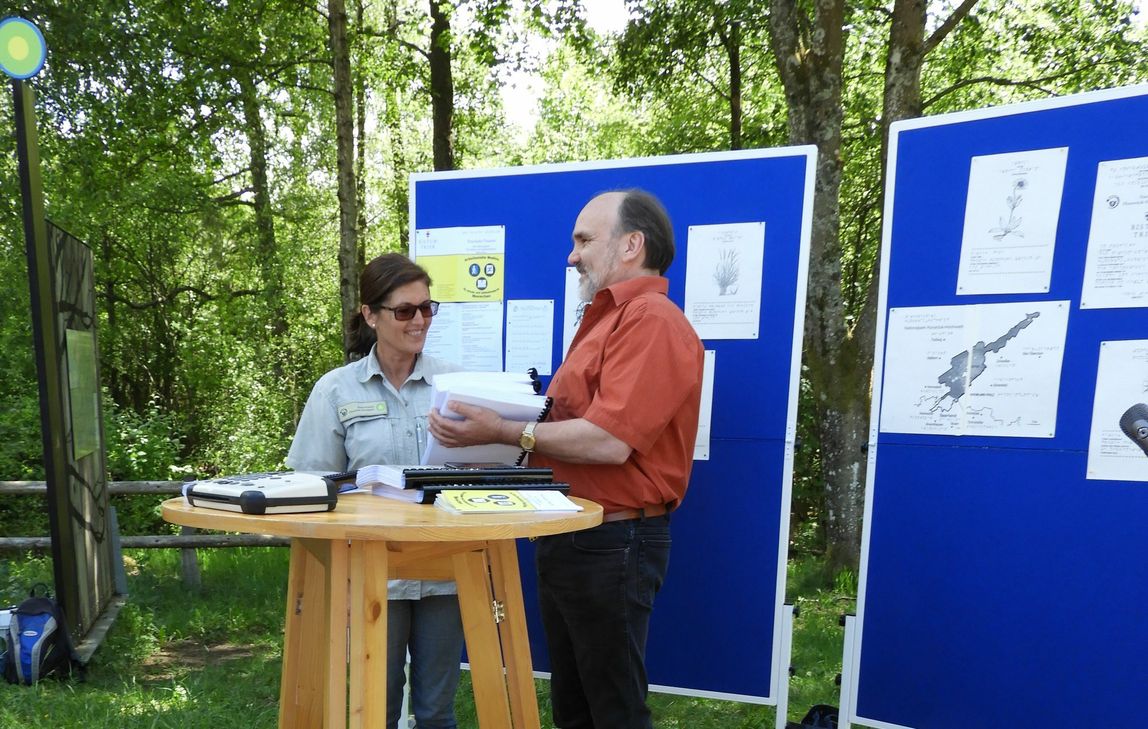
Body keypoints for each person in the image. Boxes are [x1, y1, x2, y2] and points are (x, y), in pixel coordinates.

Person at [428, 189, 705, 729]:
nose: (571, 255)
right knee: (577, 711)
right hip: (574, 534)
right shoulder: (602, 319)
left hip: (613, 542)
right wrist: (492, 444)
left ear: (631, 245)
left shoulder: (650, 320)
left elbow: (609, 441)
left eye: (583, 240)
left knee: (614, 710)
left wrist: (507, 430)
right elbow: (566, 427)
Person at [286, 253, 463, 729]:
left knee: (436, 712)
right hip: (370, 573)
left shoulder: (456, 384)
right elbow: (310, 491)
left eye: (428, 308)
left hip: (446, 568)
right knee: (373, 708)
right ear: (370, 314)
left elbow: (481, 475)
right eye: (405, 310)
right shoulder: (335, 392)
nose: (420, 320)